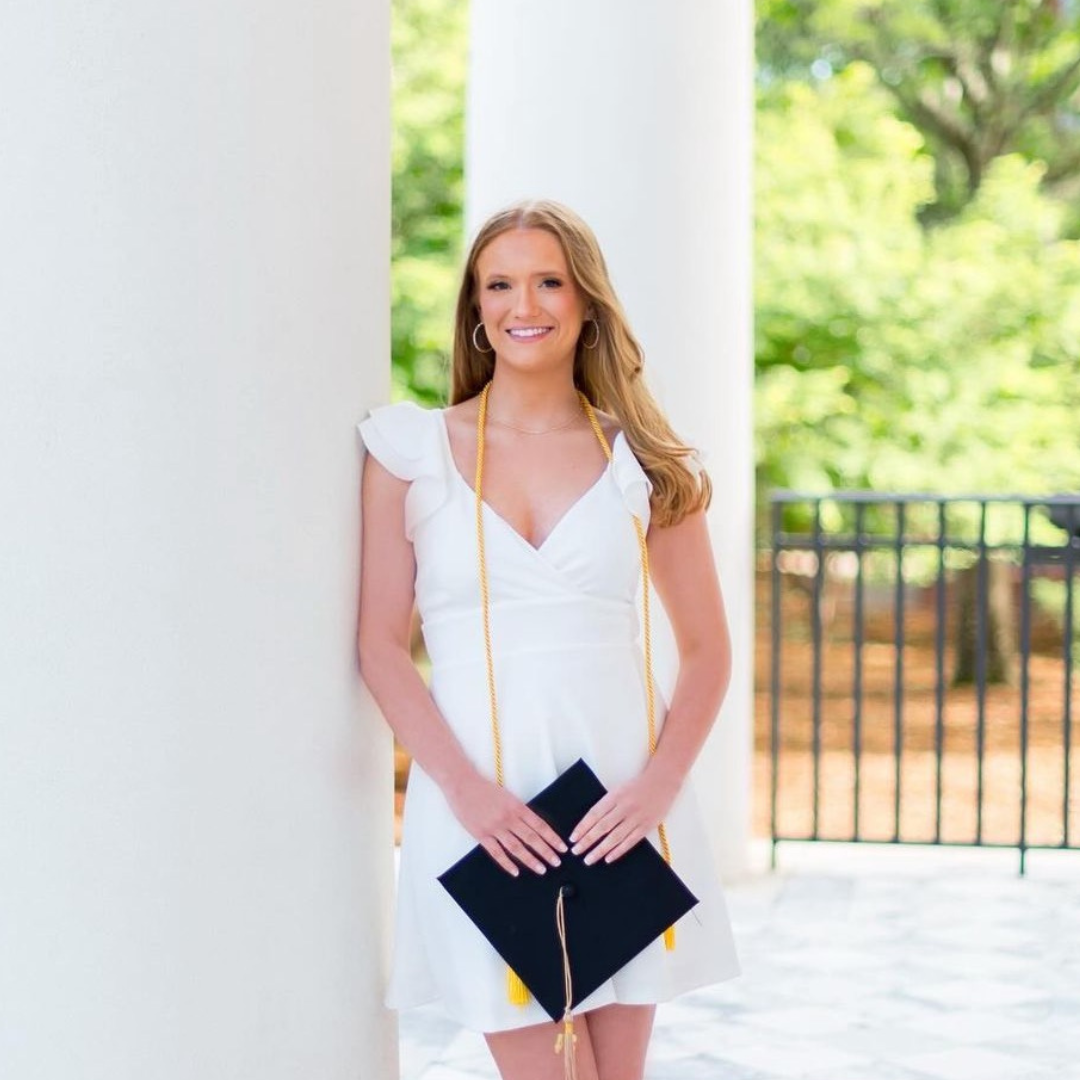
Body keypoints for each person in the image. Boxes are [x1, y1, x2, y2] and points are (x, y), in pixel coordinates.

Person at [357, 199, 740, 1080]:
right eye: (498, 283)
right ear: (476, 308)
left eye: (547, 281)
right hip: (481, 810)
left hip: (622, 804)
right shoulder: (411, 451)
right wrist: (466, 795)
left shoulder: (641, 459)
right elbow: (381, 646)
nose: (521, 303)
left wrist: (657, 789)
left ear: (586, 303)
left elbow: (709, 650)